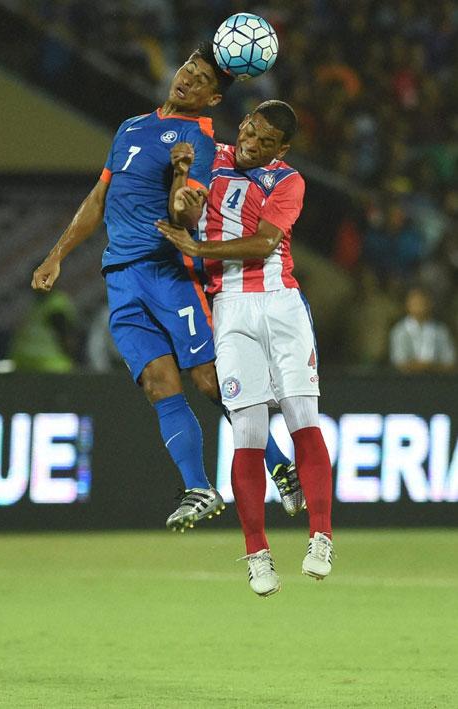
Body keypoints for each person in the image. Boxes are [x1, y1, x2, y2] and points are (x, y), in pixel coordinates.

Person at [31, 44, 298, 531]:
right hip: (121, 277)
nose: (188, 81)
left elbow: (187, 214)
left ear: (214, 100)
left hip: (168, 272)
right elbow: (98, 197)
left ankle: (280, 462)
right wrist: (57, 254)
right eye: (187, 71)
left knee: (207, 380)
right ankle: (198, 486)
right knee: (158, 384)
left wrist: (180, 171)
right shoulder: (130, 127)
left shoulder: (197, 137)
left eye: (201, 81)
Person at [157, 100, 334, 596]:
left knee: (303, 419)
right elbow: (182, 204)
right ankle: (258, 554)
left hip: (280, 304)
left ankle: (320, 535)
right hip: (230, 309)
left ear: (282, 149)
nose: (251, 144)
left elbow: (263, 243)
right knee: (248, 434)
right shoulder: (214, 157)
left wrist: (199, 250)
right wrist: (183, 181)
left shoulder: (287, 181)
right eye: (249, 132)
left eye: (264, 142)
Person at [389, 286, 456, 373]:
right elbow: (399, 363)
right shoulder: (400, 331)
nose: (419, 306)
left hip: (438, 382)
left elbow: (450, 363)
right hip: (406, 383)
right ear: (407, 305)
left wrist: (427, 367)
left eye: (422, 302)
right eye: (415, 303)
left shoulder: (441, 330)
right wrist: (426, 366)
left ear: (430, 304)